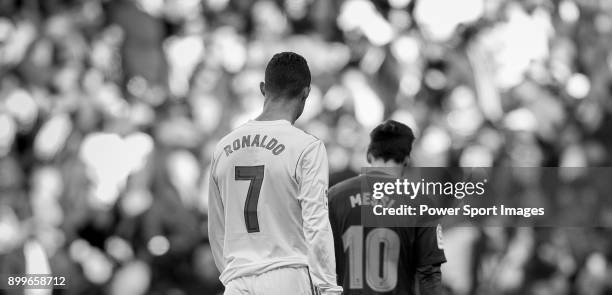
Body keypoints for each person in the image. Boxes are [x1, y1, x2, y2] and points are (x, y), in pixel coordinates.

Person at [208, 52, 342, 295]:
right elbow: (316, 224)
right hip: (288, 276)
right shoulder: (307, 147)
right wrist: (328, 287)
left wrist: (231, 277)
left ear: (263, 89)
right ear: (306, 93)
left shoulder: (223, 148)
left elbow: (216, 228)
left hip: (237, 280)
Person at [328, 120, 447, 295]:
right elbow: (429, 274)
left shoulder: (335, 196)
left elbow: (320, 263)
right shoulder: (420, 202)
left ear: (369, 155)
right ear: (407, 159)